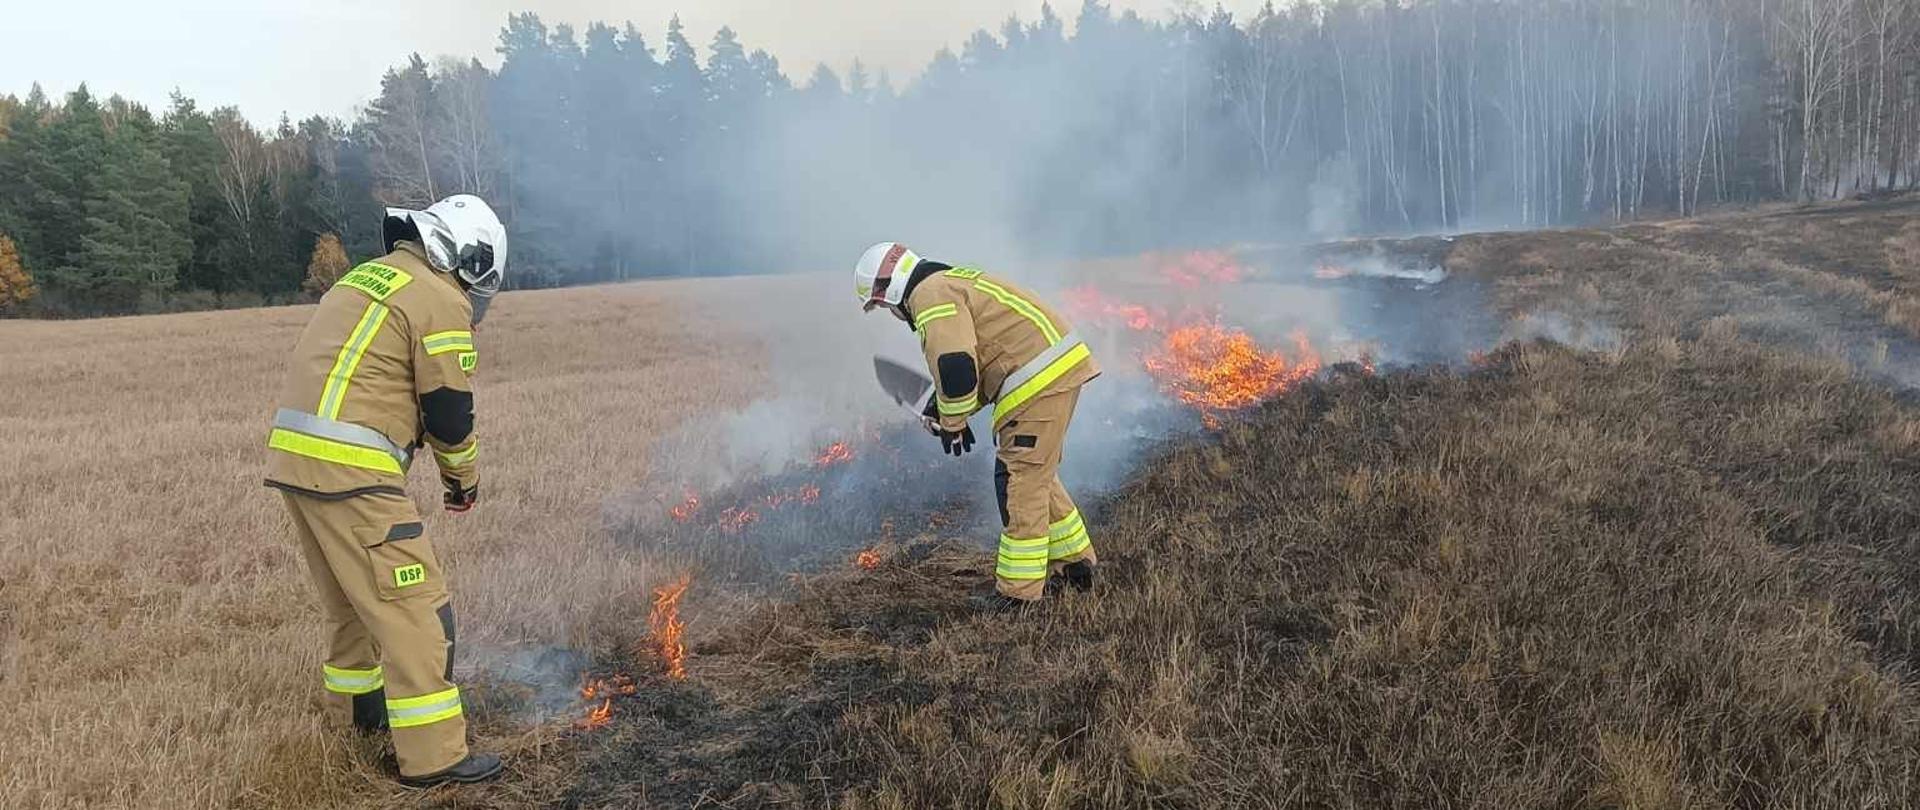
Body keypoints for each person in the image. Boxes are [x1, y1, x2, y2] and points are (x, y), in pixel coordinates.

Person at [263, 194, 506, 787]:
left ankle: (357, 721)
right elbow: (449, 415)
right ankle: (435, 757)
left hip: (297, 461)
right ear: (468, 258)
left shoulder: (368, 277)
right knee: (417, 612)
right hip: (354, 472)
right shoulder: (440, 297)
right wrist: (462, 484)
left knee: (350, 603)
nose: (476, 299)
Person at [852, 242, 1101, 609]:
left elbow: (955, 365)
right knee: (1034, 473)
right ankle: (1075, 566)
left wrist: (952, 420)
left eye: (885, 307)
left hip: (1039, 379)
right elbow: (986, 360)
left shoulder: (929, 295)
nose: (893, 315)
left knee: (1020, 481)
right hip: (1051, 370)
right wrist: (950, 410)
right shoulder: (949, 282)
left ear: (889, 289)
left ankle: (1019, 595)